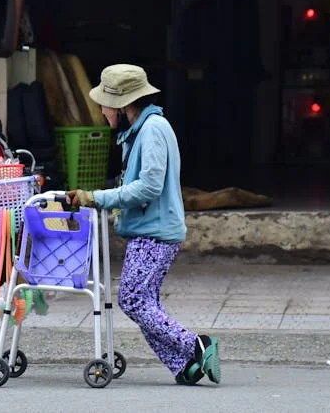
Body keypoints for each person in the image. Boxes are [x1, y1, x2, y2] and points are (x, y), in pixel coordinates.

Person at [66, 64, 221, 385]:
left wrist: (96, 197)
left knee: (133, 300)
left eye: (104, 103)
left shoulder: (152, 129)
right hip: (149, 230)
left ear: (122, 105)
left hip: (156, 232)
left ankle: (197, 345)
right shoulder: (137, 131)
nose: (100, 109)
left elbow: (149, 186)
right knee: (144, 302)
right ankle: (184, 365)